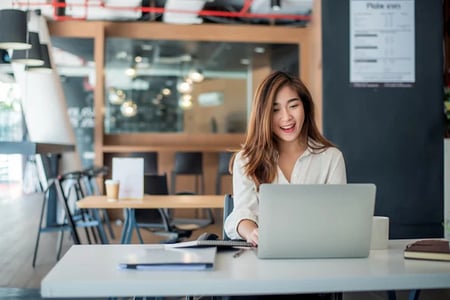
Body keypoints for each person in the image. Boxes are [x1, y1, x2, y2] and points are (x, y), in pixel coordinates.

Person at [224, 70, 347, 246]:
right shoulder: (247, 159)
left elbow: (339, 216)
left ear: (305, 107)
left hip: (318, 252)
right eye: (275, 110)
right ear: (263, 115)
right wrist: (252, 233)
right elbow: (243, 213)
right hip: (265, 254)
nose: (286, 117)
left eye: (293, 106)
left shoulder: (331, 158)